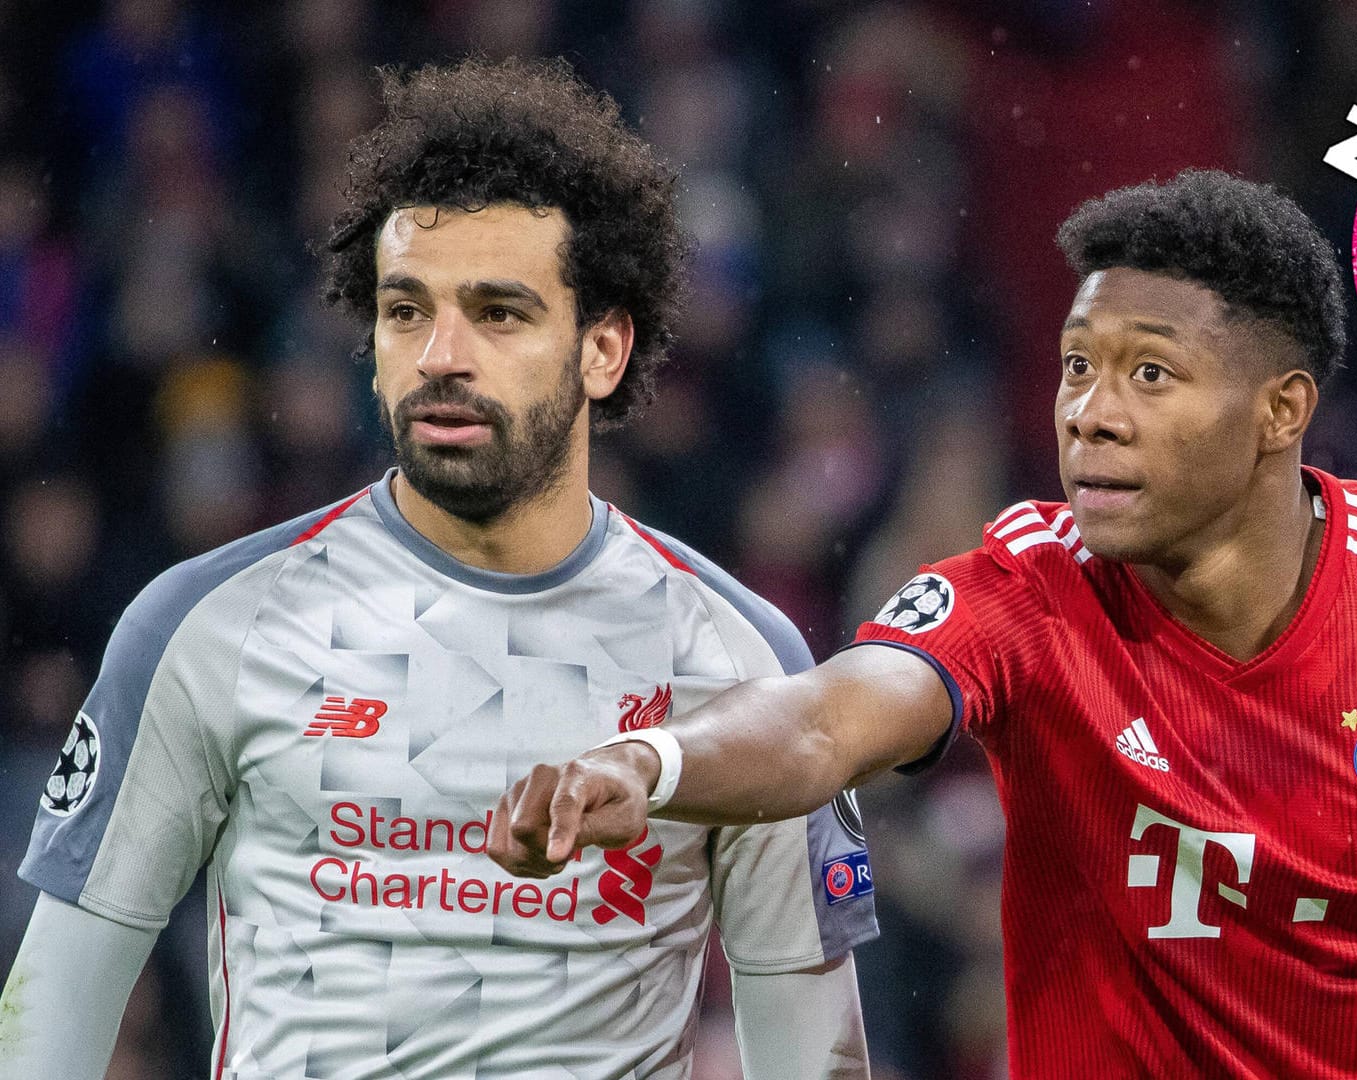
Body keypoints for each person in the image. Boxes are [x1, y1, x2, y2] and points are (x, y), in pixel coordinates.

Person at [487, 170, 1357, 1078]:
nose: (1091, 414)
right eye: (1078, 367)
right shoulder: (1033, 581)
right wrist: (654, 759)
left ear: (1281, 412)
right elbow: (824, 724)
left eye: (1150, 375)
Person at [0, 57, 876, 1080]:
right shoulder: (204, 624)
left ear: (603, 349)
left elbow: (816, 1058)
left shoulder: (746, 663)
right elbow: (50, 1023)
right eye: (406, 310)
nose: (439, 355)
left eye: (498, 313)